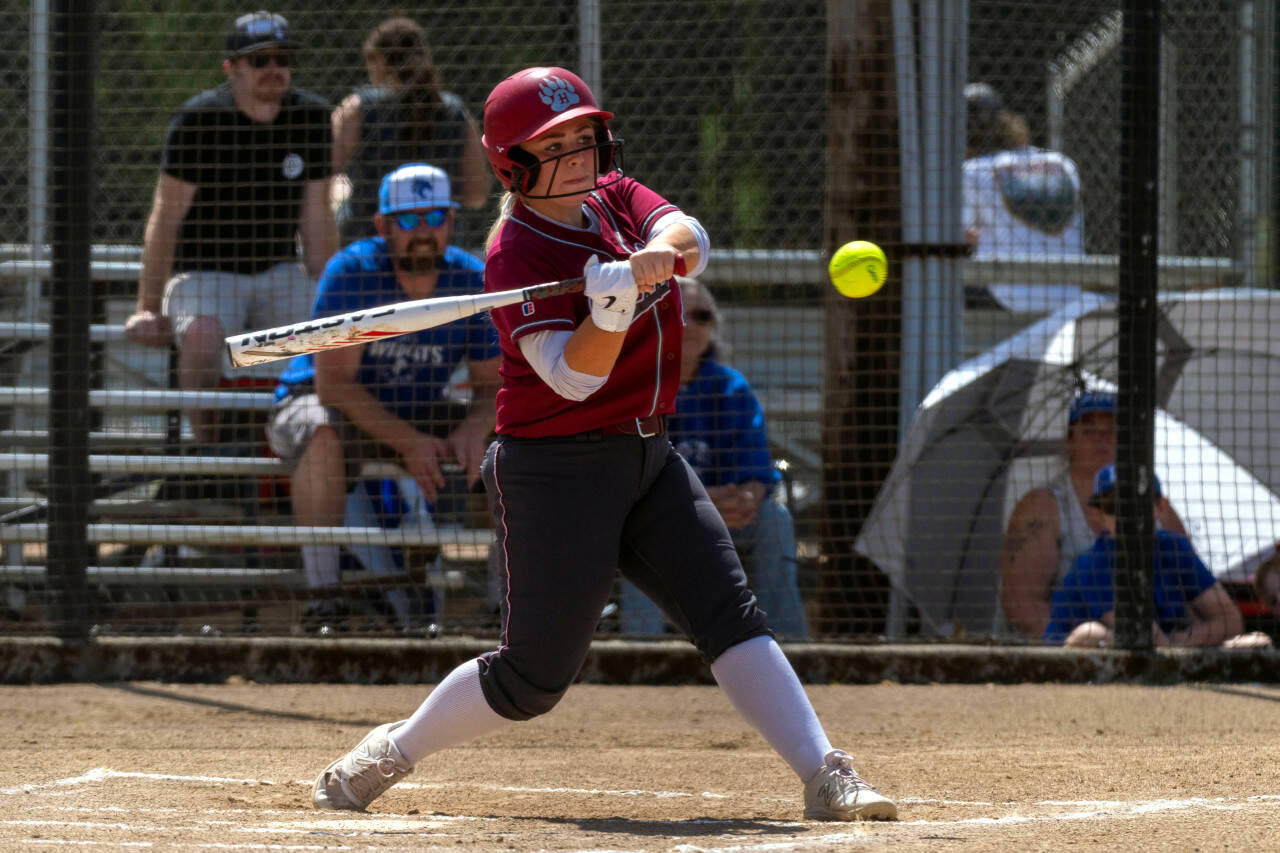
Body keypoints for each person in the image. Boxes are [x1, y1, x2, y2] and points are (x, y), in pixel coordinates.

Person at [311, 66, 896, 822]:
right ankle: (391, 749)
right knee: (533, 678)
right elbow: (570, 379)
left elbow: (694, 235)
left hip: (649, 453)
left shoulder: (615, 199)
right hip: (555, 470)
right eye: (556, 142)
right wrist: (609, 310)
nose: (581, 149)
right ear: (512, 162)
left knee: (730, 614)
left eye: (584, 133)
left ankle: (826, 772)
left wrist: (656, 252)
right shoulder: (514, 255)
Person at [266, 163, 500, 632]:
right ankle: (324, 600)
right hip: (322, 401)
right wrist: (411, 441)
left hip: (413, 407)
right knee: (321, 432)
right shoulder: (352, 271)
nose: (423, 234)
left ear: (452, 222)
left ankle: (506, 606)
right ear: (383, 226)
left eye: (434, 218)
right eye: (408, 220)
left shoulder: (472, 277)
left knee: (508, 444)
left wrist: (475, 428)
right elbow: (333, 385)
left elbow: (492, 382)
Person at [124, 11, 337, 446]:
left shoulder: (312, 117)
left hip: (278, 270)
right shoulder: (199, 121)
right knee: (203, 335)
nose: (275, 70)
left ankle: (284, 452)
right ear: (231, 68)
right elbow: (165, 217)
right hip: (206, 273)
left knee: (321, 331)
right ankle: (212, 457)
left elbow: (316, 212)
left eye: (283, 59)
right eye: (260, 61)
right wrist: (148, 306)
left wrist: (331, 290)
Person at [618, 277, 809, 639]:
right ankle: (642, 649)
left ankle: (792, 647)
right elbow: (630, 475)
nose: (692, 325)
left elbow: (755, 463)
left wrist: (749, 497)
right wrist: (701, 504)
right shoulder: (637, 384)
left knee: (774, 517)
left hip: (725, 516)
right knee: (633, 529)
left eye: (702, 316)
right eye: (680, 314)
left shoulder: (730, 386)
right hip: (658, 518)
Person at [1000, 391, 1186, 640]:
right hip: (1071, 652)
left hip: (1154, 647)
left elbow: (1187, 585)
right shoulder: (1043, 506)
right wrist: (1070, 653)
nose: (1102, 438)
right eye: (1089, 430)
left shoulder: (1157, 506)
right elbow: (1021, 602)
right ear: (1070, 439)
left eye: (1113, 429)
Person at [1044, 465, 1271, 649]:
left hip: (1158, 654)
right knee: (1092, 634)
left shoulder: (1173, 548)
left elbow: (1230, 621)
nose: (1128, 514)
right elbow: (1144, 637)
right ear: (1098, 515)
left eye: (1139, 502)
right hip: (1068, 670)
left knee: (1257, 643)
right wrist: (1189, 641)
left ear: (1161, 507)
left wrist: (1177, 642)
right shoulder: (1093, 565)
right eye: (1115, 505)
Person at [331, 16, 489, 246]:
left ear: (379, 61)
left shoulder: (358, 109)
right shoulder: (456, 113)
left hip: (370, 249)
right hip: (439, 249)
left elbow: (322, 173)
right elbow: (476, 196)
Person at [963, 82, 1085, 313]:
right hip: (1069, 298)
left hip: (1008, 299)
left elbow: (956, 237)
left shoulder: (973, 172)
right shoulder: (1063, 164)